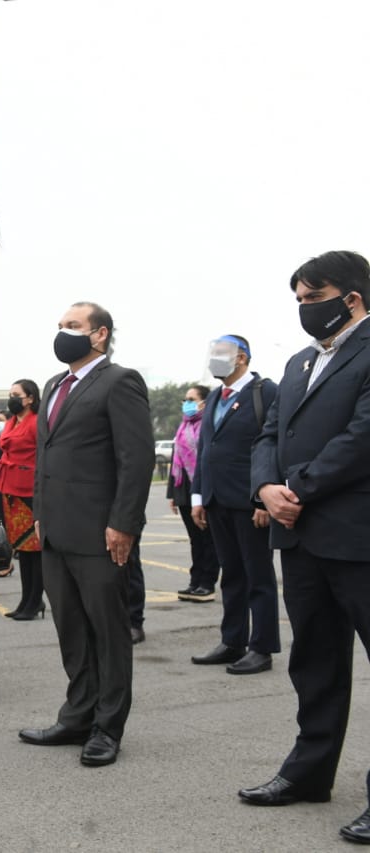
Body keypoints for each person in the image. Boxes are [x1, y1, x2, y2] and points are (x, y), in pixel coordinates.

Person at [240, 251, 370, 846]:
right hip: (302, 537)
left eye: (311, 296)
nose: (303, 308)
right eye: (296, 299)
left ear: (351, 298)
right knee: (314, 660)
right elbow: (270, 433)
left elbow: (362, 436)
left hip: (357, 534)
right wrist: (265, 485)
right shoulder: (297, 364)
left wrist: (296, 488)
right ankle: (309, 771)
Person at [19, 302, 154, 768]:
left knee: (108, 632)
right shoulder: (56, 385)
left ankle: (108, 726)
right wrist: (40, 512)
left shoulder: (120, 382)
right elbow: (46, 457)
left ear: (99, 335)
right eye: (59, 326)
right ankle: (77, 715)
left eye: (72, 326)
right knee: (71, 629)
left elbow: (135, 461)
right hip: (56, 531)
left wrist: (123, 524)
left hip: (100, 533)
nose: (62, 333)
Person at [188, 334, 280, 675]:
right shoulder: (214, 397)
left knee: (259, 576)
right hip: (216, 501)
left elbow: (275, 447)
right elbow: (205, 451)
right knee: (232, 575)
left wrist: (264, 497)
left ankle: (262, 647)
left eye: (221, 352)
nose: (215, 358)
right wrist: (199, 496)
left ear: (242, 357)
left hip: (249, 502)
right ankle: (233, 641)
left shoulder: (265, 393)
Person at [0, 379, 45, 620]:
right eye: (10, 394)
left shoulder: (38, 422)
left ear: (31, 398)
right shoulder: (13, 421)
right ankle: (27, 600)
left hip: (29, 491)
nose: (12, 398)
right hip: (10, 489)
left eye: (17, 394)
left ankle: (34, 601)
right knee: (22, 551)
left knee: (34, 550)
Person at [170, 385, 220, 603]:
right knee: (194, 539)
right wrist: (173, 494)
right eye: (185, 399)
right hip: (184, 491)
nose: (186, 403)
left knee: (208, 539)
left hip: (204, 489)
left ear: (204, 403)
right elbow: (176, 462)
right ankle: (195, 581)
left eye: (191, 399)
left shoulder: (209, 426)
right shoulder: (182, 427)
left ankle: (207, 583)